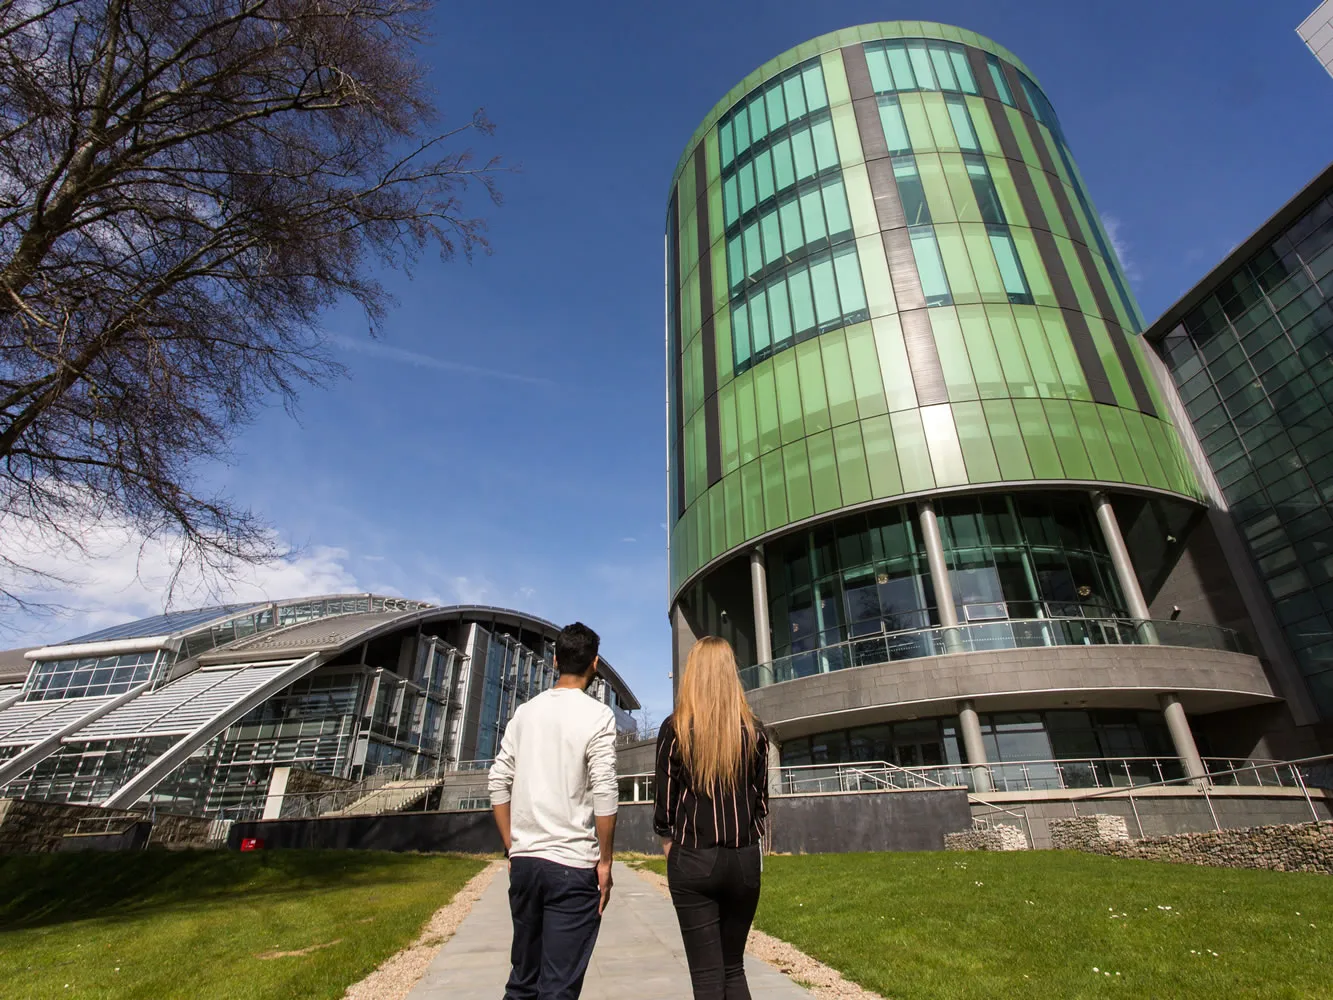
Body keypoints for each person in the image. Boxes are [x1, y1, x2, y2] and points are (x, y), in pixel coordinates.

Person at [488, 622, 618, 1000]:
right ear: (594, 664)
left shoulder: (524, 713)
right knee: (558, 988)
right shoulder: (598, 716)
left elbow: (498, 782)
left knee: (522, 981)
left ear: (554, 659)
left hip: (526, 864)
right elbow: (605, 792)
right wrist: (605, 863)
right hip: (572, 865)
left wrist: (512, 847)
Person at [653, 636, 769, 1000]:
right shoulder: (754, 731)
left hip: (694, 858)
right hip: (744, 860)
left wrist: (669, 844)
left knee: (706, 978)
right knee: (733, 968)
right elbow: (762, 801)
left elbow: (664, 805)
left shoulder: (675, 729)